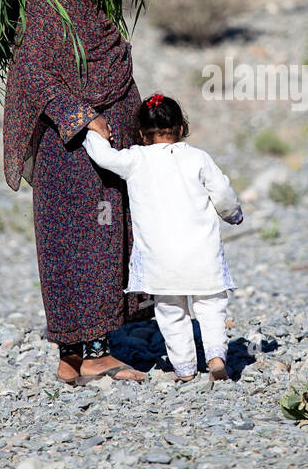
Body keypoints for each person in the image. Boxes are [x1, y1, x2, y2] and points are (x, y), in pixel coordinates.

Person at [2, 0, 148, 385]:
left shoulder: (89, 7)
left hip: (104, 157)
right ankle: (82, 354)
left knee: (103, 245)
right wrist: (82, 116)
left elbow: (116, 70)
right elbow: (32, 73)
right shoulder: (43, 8)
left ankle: (84, 355)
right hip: (64, 154)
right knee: (70, 247)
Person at [82, 93, 243, 381]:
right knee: (211, 306)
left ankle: (184, 369)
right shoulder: (198, 158)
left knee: (170, 313)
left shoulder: (135, 159)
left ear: (142, 134)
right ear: (181, 129)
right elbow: (222, 193)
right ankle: (216, 356)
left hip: (160, 259)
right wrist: (233, 215)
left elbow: (104, 157)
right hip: (202, 255)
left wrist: (91, 129)